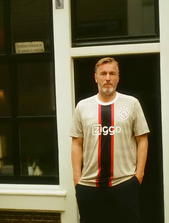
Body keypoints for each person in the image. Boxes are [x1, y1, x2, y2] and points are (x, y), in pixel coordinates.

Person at [70, 57, 149, 223]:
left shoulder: (132, 104)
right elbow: (77, 143)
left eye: (112, 73)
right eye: (103, 73)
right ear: (95, 77)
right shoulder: (82, 106)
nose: (107, 78)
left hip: (124, 184)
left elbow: (142, 139)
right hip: (89, 187)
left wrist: (138, 176)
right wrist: (77, 180)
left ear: (118, 78)